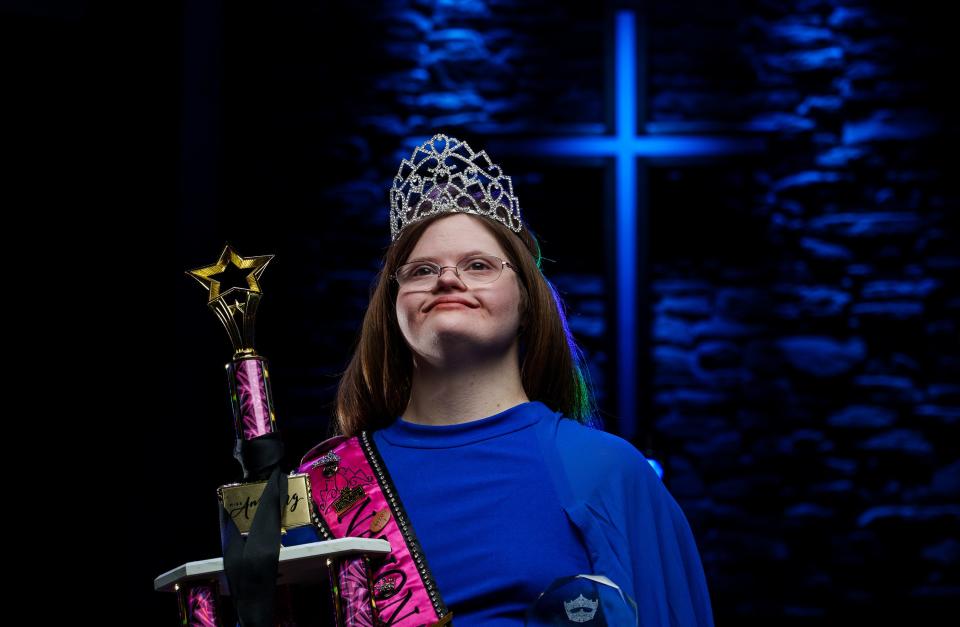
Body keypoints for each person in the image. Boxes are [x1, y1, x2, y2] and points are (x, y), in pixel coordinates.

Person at [298, 133, 715, 626]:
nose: (447, 279)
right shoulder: (321, 485)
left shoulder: (608, 472)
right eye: (421, 270)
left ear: (525, 305)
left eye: (478, 265)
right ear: (393, 310)